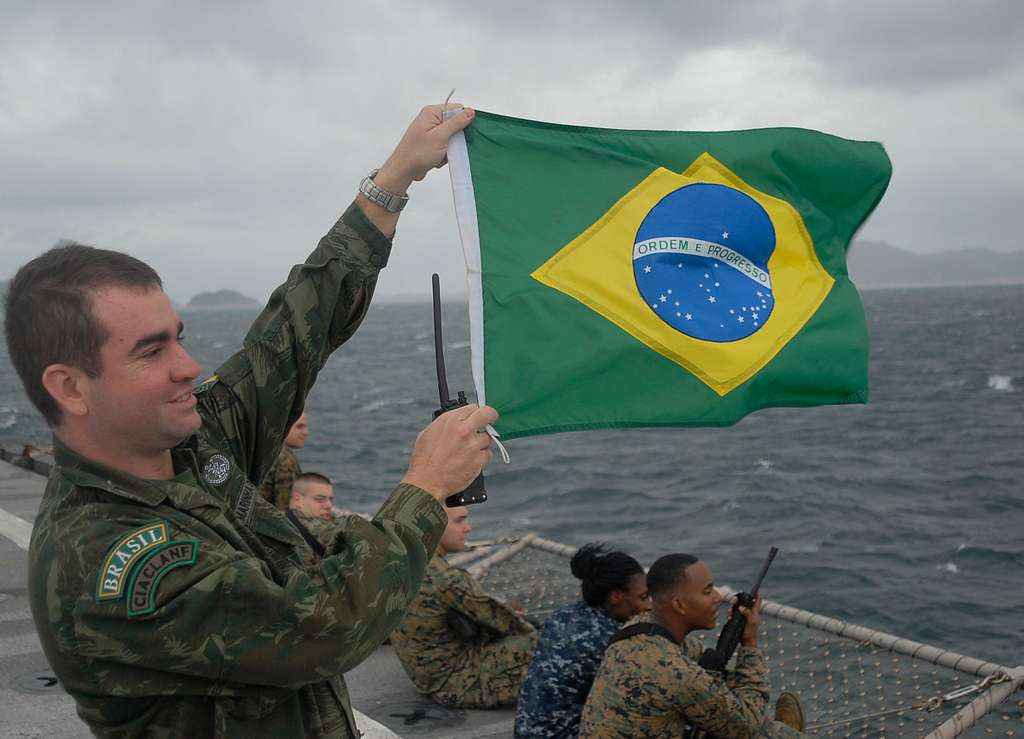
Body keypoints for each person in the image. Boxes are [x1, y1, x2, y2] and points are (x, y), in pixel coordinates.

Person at [4, 102, 495, 739]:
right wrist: (426, 487)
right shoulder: (104, 563)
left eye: (177, 338)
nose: (188, 366)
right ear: (69, 387)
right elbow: (324, 627)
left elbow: (288, 338)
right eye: (151, 351)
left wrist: (393, 179)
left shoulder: (189, 441)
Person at [579, 553, 807, 738]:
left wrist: (732, 634)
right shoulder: (680, 676)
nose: (718, 597)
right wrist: (749, 643)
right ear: (679, 605)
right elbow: (748, 725)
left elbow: (701, 667)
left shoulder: (636, 628)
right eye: (707, 591)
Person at [390, 505, 539, 708]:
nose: (468, 528)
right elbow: (511, 625)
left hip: (425, 676)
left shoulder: (406, 562)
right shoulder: (445, 578)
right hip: (456, 684)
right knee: (543, 641)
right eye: (459, 521)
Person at [513, 543, 649, 738]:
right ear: (616, 596)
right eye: (643, 597)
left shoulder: (562, 614)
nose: (648, 606)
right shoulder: (612, 640)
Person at [258, 412, 308, 510]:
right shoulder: (286, 460)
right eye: (299, 427)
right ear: (283, 427)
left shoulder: (264, 449)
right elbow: (286, 511)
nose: (306, 432)